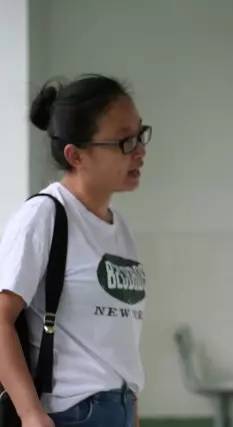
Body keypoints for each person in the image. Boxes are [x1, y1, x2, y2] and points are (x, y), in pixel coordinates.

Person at [0, 74, 151, 427]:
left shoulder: (120, 228)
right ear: (76, 154)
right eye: (125, 141)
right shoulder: (45, 215)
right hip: (71, 413)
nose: (140, 151)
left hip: (120, 407)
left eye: (140, 135)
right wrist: (30, 414)